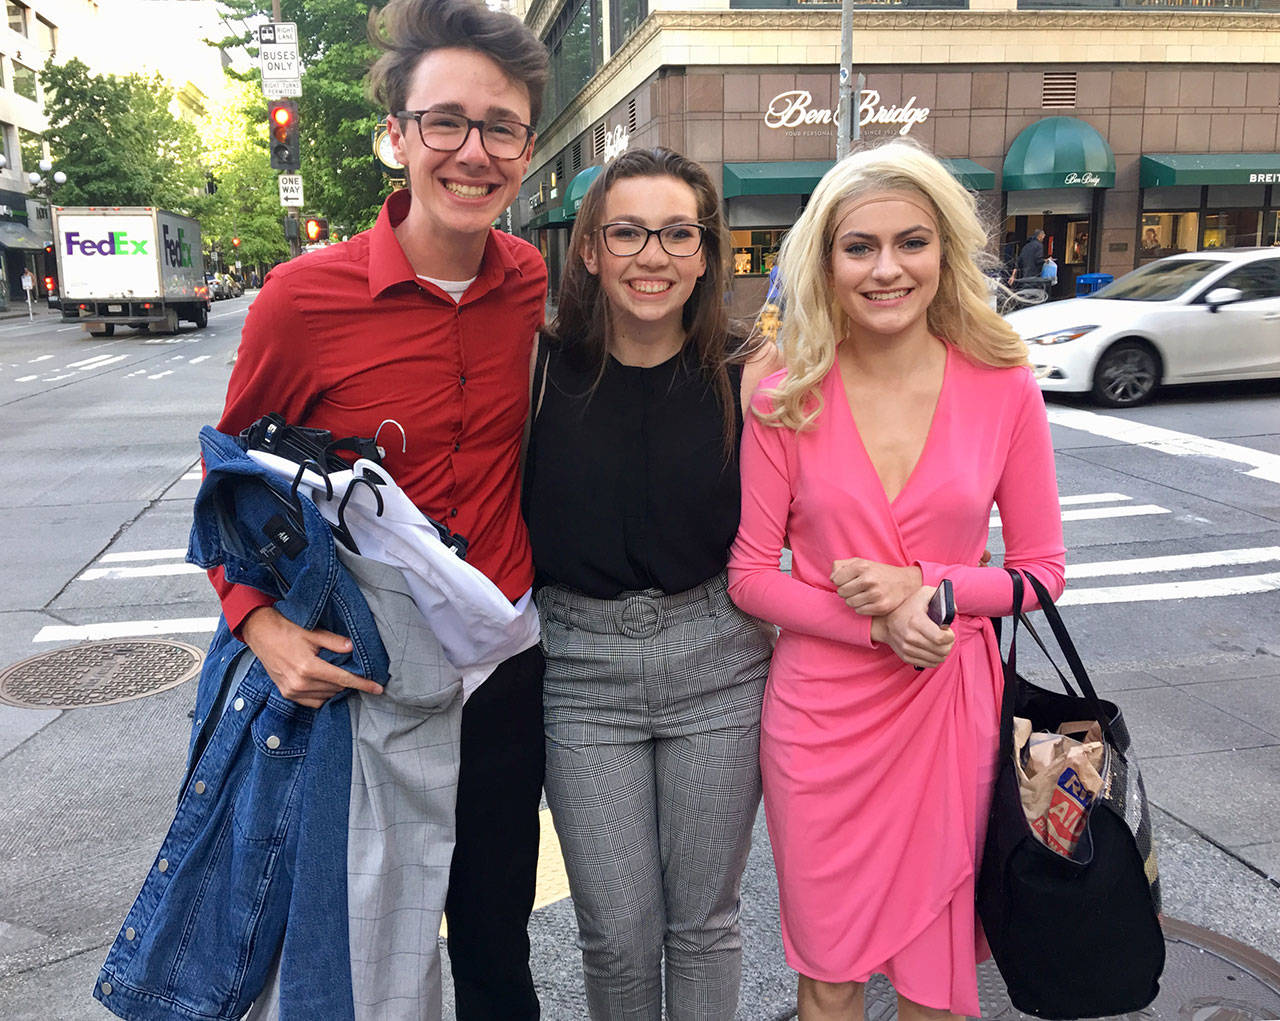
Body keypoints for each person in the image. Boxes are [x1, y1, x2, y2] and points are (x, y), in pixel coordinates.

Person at [210, 0, 549, 1016]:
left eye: (500, 127)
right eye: (444, 121)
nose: (472, 151)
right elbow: (226, 492)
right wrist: (257, 625)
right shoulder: (300, 302)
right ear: (394, 135)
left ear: (525, 147)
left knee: (495, 940)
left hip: (500, 670)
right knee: (353, 954)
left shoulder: (530, 280)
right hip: (361, 682)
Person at [727, 140, 1066, 1020]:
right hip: (820, 723)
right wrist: (876, 624)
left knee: (935, 969)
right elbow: (750, 576)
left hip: (949, 712)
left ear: (945, 251)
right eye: (859, 247)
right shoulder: (782, 390)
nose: (887, 269)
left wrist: (932, 589)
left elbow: (1041, 573)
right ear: (825, 261)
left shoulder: (1002, 385)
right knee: (828, 972)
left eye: (912, 242)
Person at [522, 147, 779, 1020]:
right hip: (580, 668)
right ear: (590, 249)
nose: (653, 255)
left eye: (678, 233)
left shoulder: (750, 375)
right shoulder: (537, 369)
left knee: (704, 924)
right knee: (618, 933)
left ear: (706, 253)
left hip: (720, 659)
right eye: (627, 232)